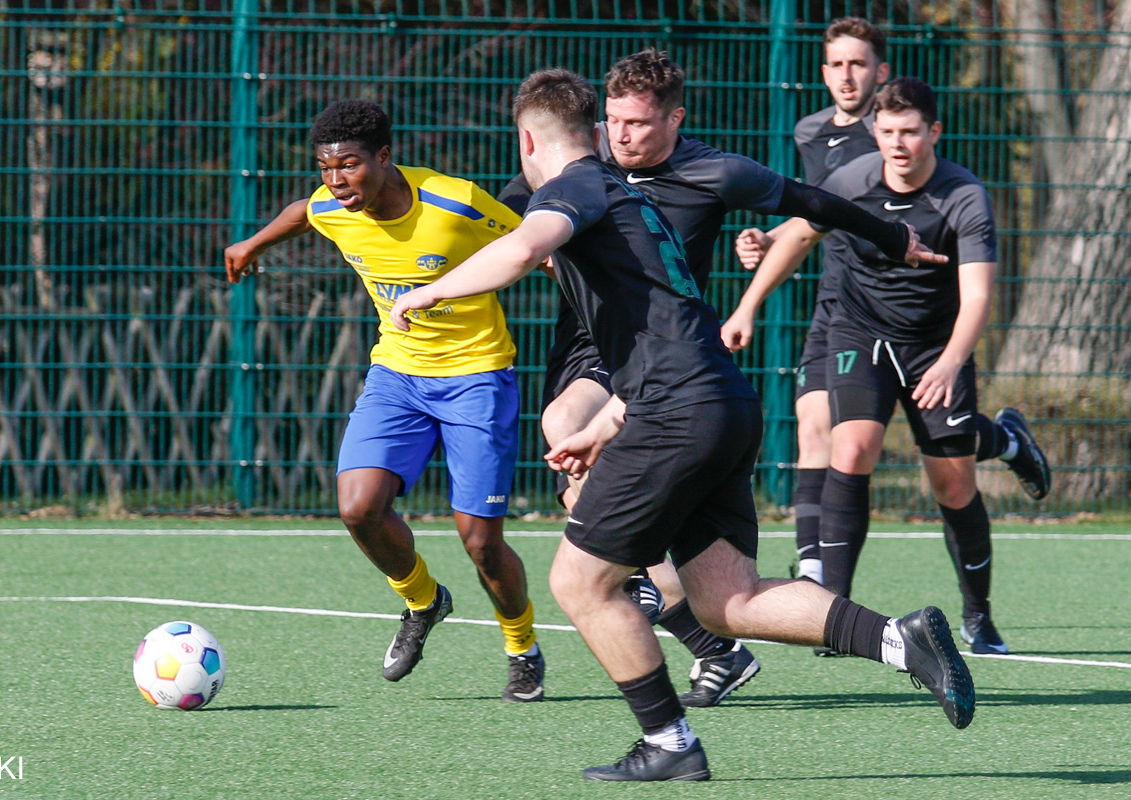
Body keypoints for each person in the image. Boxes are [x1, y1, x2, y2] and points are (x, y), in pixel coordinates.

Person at [390, 68, 974, 783]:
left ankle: (669, 740)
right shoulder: (633, 200)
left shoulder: (574, 187)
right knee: (729, 600)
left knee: (581, 583)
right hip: (717, 402)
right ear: (599, 128)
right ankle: (898, 639)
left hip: (675, 410)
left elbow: (520, 249)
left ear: (527, 141)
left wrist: (428, 291)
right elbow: (662, 338)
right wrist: (605, 424)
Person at [499, 47, 950, 706]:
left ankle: (662, 707)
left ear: (675, 119)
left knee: (568, 439)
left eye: (639, 123)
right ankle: (732, 636)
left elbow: (811, 201)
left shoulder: (712, 172)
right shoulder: (577, 170)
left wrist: (891, 237)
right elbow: (503, 227)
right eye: (613, 121)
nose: (622, 135)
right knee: (723, 598)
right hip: (607, 351)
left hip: (667, 364)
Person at [223, 99, 545, 702]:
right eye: (326, 167)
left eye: (349, 164)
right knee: (357, 508)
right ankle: (423, 601)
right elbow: (302, 213)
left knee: (480, 541)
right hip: (396, 375)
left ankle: (521, 646)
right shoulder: (332, 207)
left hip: (477, 377)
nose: (336, 180)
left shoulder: (456, 203)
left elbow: (539, 246)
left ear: (385, 156)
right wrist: (252, 244)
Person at [735, 18, 1051, 600]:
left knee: (948, 471)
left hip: (926, 324)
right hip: (846, 309)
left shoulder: (935, 169)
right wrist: (762, 255)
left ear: (881, 74)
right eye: (837, 64)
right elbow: (812, 220)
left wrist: (952, 358)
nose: (846, 75)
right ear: (823, 72)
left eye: (858, 63)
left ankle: (1003, 451)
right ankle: (820, 586)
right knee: (827, 435)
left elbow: (975, 289)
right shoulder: (815, 136)